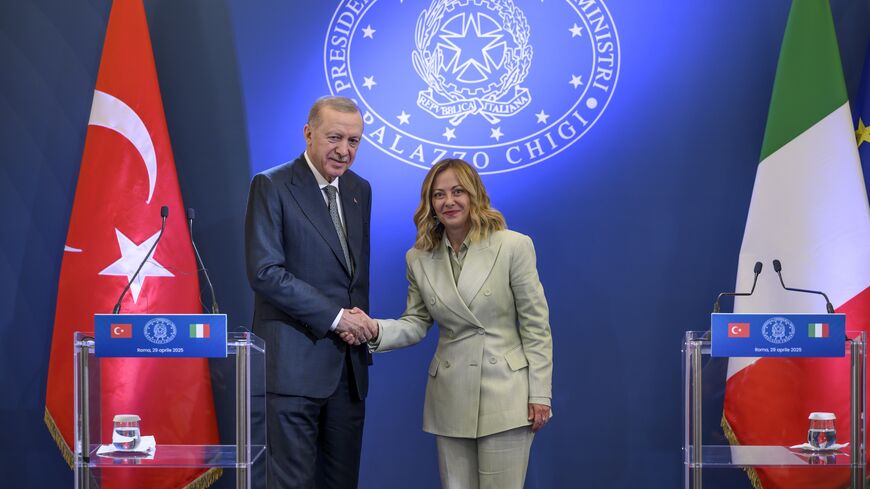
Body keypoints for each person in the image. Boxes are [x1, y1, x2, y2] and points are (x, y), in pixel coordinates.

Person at [343, 158, 553, 489]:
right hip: (450, 395)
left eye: (458, 192)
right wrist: (374, 329)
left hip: (506, 393)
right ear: (430, 203)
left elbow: (536, 327)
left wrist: (540, 394)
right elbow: (416, 322)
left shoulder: (512, 246)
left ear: (474, 195)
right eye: (439, 195)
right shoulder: (419, 258)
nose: (449, 201)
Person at [245, 95, 376, 489]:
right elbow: (266, 272)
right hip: (293, 371)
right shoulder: (272, 185)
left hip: (348, 372)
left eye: (353, 141)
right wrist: (337, 319)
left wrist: (357, 328)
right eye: (334, 137)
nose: (344, 150)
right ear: (308, 133)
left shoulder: (359, 189)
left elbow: (353, 278)